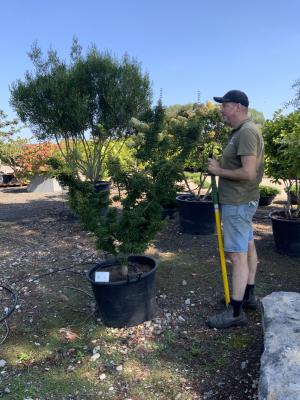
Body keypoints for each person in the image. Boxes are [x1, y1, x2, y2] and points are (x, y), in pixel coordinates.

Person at [206, 90, 264, 329]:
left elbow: (248, 173)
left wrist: (219, 171)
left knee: (237, 255)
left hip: (238, 203)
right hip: (241, 202)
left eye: (225, 105)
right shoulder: (241, 132)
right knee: (248, 246)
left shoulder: (247, 132)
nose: (222, 110)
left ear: (238, 106)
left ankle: (236, 312)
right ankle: (247, 296)